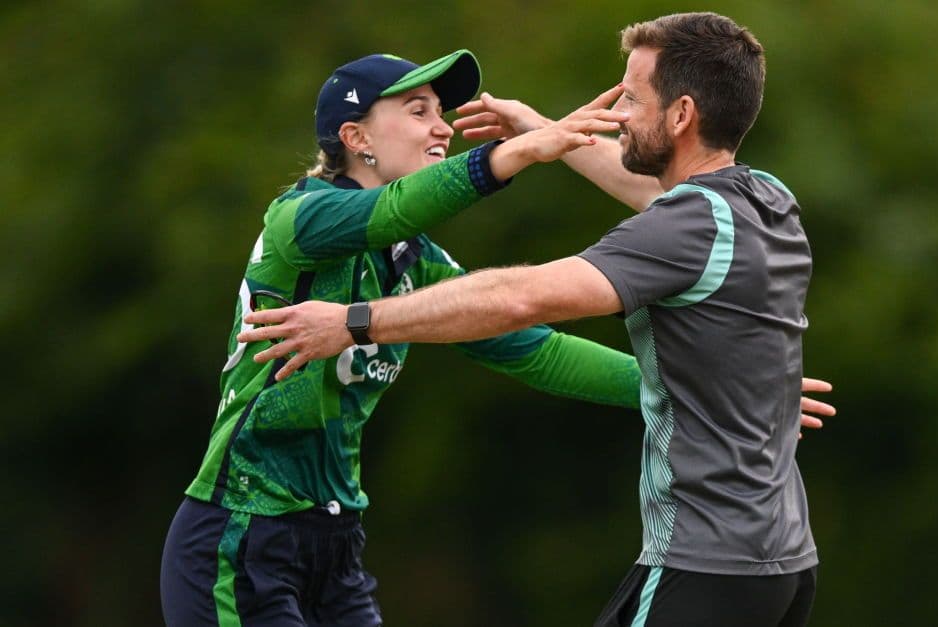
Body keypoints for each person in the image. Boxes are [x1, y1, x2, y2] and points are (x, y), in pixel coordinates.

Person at [240, 12, 827, 627]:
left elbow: (521, 300)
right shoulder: (764, 198)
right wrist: (543, 130)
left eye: (630, 96)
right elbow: (654, 199)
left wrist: (357, 322)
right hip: (783, 565)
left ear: (680, 116)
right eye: (419, 111)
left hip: (709, 562)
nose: (618, 112)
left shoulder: (686, 224)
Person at [159, 48, 642, 626]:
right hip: (241, 534)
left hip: (336, 547)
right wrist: (520, 150)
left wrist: (686, 391)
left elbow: (538, 351)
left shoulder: (415, 262)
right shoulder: (299, 219)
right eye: (419, 111)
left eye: (441, 111)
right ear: (355, 136)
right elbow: (392, 210)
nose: (442, 127)